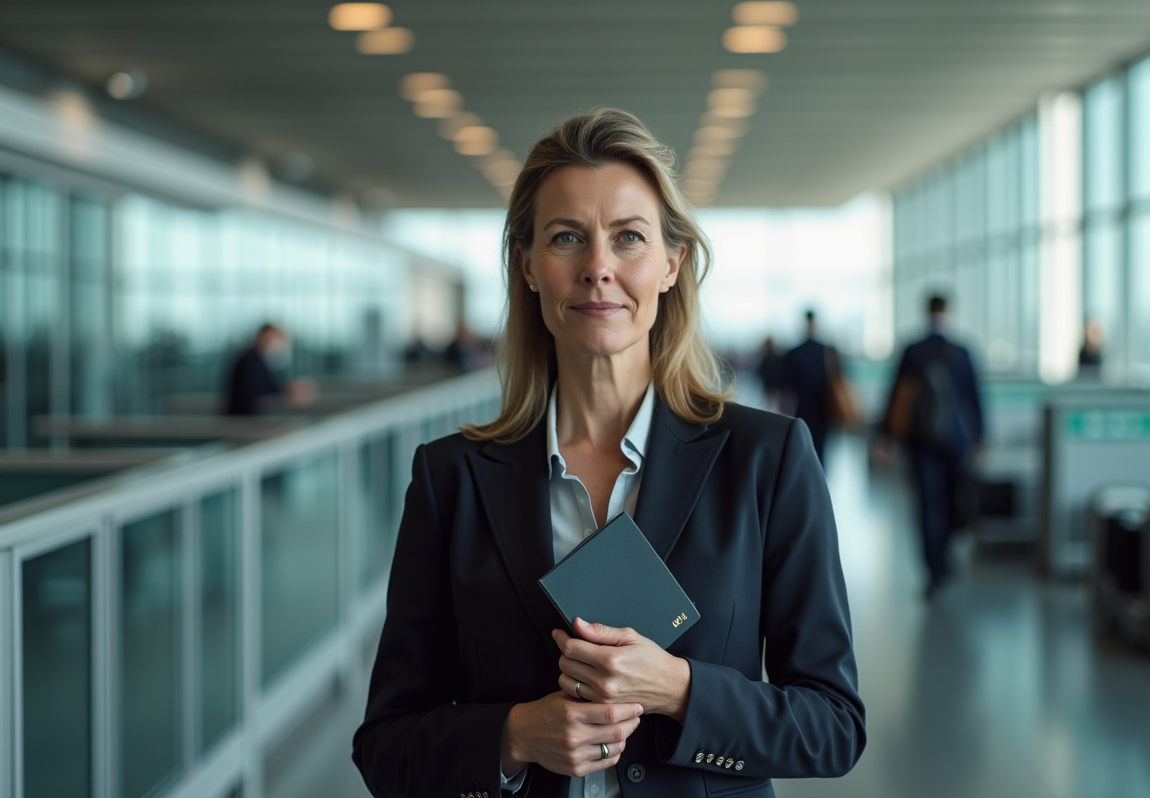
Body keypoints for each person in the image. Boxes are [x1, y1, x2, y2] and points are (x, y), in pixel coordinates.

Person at [353, 109, 865, 798]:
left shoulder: (765, 459)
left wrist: (680, 689)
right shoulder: (452, 479)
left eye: (629, 237)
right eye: (566, 237)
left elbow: (833, 725)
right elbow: (385, 747)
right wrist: (514, 736)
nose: (598, 268)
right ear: (528, 265)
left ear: (671, 263)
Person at [880, 295, 984, 597]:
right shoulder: (962, 351)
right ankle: (946, 554)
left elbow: (896, 396)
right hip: (955, 440)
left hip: (919, 440)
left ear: (926, 312)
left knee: (926, 504)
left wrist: (887, 435)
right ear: (948, 313)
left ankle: (933, 569)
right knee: (952, 498)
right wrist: (980, 436)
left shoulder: (913, 351)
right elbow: (974, 397)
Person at [779, 310, 844, 466]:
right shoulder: (828, 352)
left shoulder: (794, 353)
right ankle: (819, 476)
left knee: (802, 448)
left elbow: (785, 389)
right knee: (821, 450)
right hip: (825, 409)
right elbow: (839, 379)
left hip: (802, 410)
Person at [223, 323, 314, 415]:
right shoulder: (250, 363)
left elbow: (268, 388)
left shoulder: (259, 362)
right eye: (275, 340)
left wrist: (288, 390)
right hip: (244, 420)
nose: (278, 347)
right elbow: (254, 395)